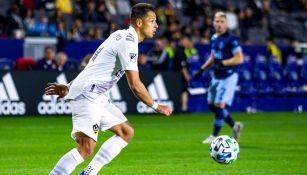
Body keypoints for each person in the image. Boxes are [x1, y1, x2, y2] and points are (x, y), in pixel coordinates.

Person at [45, 3, 172, 175]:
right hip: (88, 94)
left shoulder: (120, 35)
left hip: (97, 95)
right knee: (86, 147)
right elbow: (135, 84)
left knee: (126, 132)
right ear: (139, 23)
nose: (156, 25)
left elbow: (92, 66)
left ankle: (89, 172)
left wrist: (69, 87)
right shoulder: (128, 42)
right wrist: (156, 106)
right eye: (152, 21)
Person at [194, 11, 244, 144]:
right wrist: (202, 69)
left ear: (226, 23)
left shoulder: (231, 39)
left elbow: (239, 58)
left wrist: (224, 63)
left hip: (228, 76)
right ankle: (235, 126)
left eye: (222, 22)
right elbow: (213, 56)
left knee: (219, 105)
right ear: (213, 23)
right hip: (216, 76)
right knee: (211, 105)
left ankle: (214, 136)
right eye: (217, 21)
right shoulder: (214, 37)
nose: (219, 24)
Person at [172, 35, 192, 112]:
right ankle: (184, 107)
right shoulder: (180, 51)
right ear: (182, 41)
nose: (187, 43)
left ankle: (181, 107)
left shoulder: (180, 50)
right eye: (186, 41)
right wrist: (186, 75)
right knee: (184, 91)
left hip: (177, 76)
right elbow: (182, 65)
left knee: (182, 91)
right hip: (180, 76)